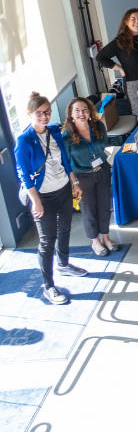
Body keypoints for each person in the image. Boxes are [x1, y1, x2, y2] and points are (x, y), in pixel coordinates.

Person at [16, 93, 86, 305]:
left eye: (47, 112)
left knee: (65, 228)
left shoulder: (55, 131)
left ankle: (63, 264)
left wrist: (74, 183)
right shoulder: (24, 141)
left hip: (63, 188)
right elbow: (23, 173)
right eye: (39, 113)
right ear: (30, 114)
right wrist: (35, 200)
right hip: (42, 196)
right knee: (47, 241)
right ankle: (48, 286)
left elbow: (66, 160)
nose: (44, 116)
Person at [62, 97, 117, 256]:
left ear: (90, 111)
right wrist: (75, 183)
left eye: (84, 109)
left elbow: (105, 146)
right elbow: (66, 163)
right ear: (71, 114)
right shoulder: (66, 136)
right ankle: (95, 241)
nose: (81, 113)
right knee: (89, 209)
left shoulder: (99, 126)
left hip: (102, 170)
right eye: (77, 110)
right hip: (82, 176)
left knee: (104, 205)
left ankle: (106, 237)